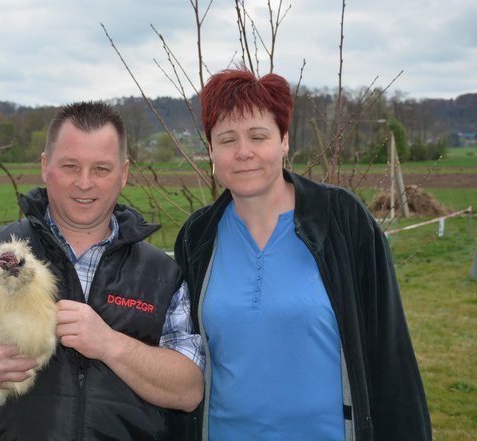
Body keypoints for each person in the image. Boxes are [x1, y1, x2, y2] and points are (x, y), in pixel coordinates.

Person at [0, 101, 204, 440]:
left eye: (101, 169)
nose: (85, 183)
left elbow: (189, 390)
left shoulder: (161, 274)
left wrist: (110, 344)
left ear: (124, 173)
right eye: (70, 166)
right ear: (46, 167)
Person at [174, 68, 432, 441]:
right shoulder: (197, 238)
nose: (243, 152)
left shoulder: (341, 220)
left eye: (258, 136)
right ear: (211, 150)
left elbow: (390, 355)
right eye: (227, 139)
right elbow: (182, 358)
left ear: (284, 141)